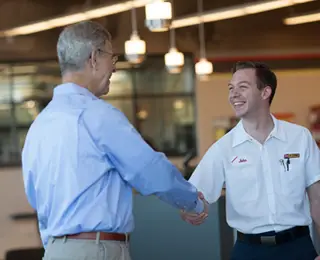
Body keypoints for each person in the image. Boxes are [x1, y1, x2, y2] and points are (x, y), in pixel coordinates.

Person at [21, 21, 207, 260]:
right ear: (94, 57)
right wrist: (192, 202)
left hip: (56, 251)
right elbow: (149, 170)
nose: (114, 68)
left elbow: (35, 198)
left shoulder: (38, 127)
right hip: (96, 251)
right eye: (113, 57)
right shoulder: (97, 114)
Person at [181, 61, 320, 260]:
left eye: (242, 87)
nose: (233, 94)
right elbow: (195, 198)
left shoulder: (300, 138)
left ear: (265, 93)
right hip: (249, 251)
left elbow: (317, 199)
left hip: (299, 248)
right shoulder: (223, 148)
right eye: (231, 88)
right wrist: (190, 210)